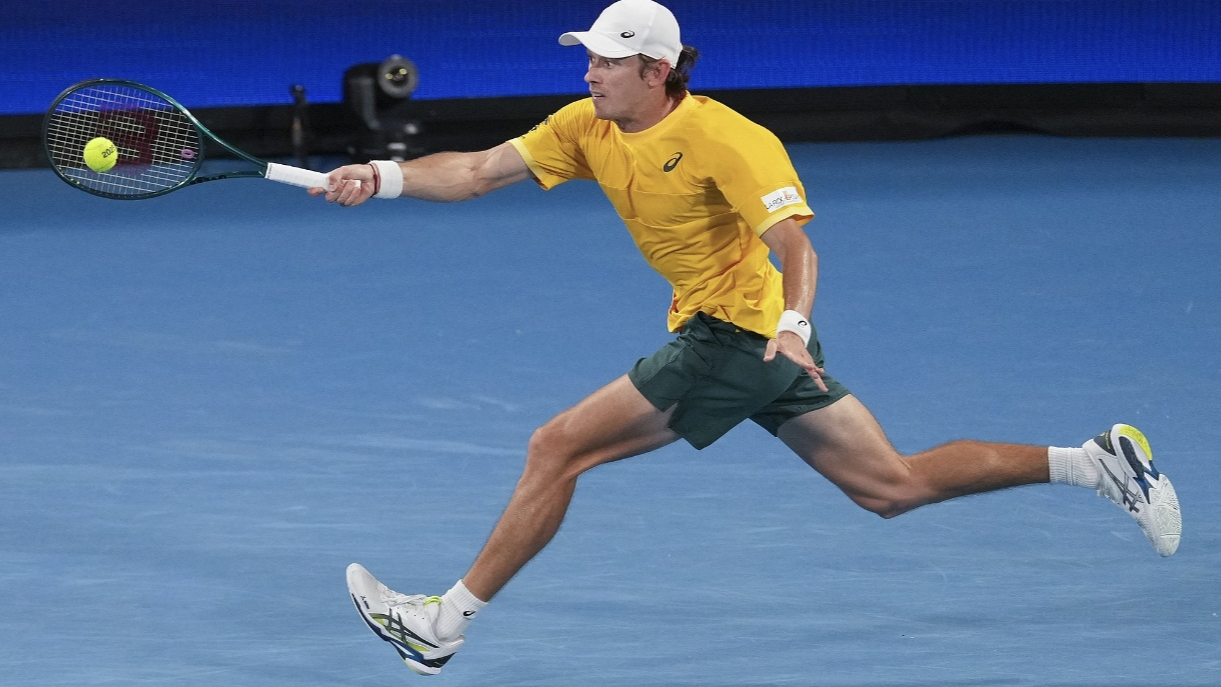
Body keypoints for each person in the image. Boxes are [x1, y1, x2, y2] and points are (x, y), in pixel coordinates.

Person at [310, 0, 1182, 676]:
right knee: (891, 486)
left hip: (737, 336)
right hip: (749, 342)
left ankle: (441, 625)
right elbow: (471, 172)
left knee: (557, 447)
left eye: (608, 62)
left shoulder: (728, 139)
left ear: (655, 71)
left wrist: (794, 326)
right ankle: (1093, 461)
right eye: (589, 59)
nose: (591, 74)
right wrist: (378, 176)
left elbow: (794, 244)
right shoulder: (585, 127)